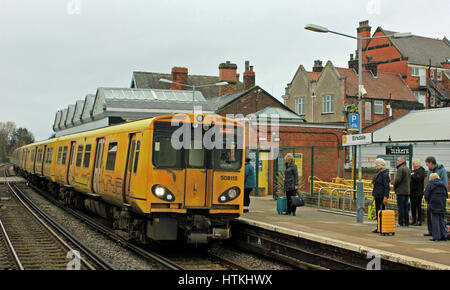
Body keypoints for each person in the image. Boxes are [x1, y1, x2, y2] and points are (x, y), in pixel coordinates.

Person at [424, 156, 448, 237]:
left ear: (431, 163)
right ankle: (435, 232)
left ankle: (436, 234)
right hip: (436, 199)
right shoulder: (429, 171)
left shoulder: (442, 170)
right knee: (436, 217)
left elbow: (445, 185)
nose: (427, 166)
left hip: (435, 199)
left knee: (435, 217)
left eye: (427, 164)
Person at [371, 158, 390, 233]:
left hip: (381, 196)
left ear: (379, 165)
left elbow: (387, 186)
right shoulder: (378, 174)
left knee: (381, 212)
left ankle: (382, 227)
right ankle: (379, 227)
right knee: (377, 212)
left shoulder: (384, 175)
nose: (375, 166)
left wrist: (386, 197)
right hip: (377, 195)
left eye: (376, 164)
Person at [393, 157, 411, 227]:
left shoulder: (400, 169)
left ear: (401, 161)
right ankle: (406, 222)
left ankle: (400, 222)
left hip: (401, 191)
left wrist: (395, 186)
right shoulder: (407, 168)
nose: (397, 162)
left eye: (398, 160)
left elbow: (397, 180)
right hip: (407, 191)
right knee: (406, 207)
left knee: (401, 207)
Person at [410, 159, 425, 226]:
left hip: (418, 192)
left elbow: (418, 179)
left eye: (413, 164)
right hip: (412, 192)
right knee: (413, 206)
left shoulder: (421, 171)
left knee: (418, 206)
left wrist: (412, 175)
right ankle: (414, 219)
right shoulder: (414, 171)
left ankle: (419, 220)